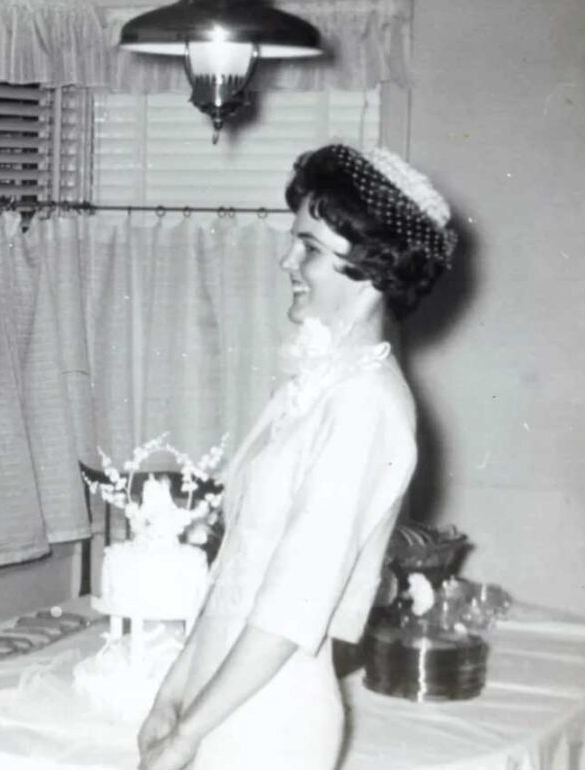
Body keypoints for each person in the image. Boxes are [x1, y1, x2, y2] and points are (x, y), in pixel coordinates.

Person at [136, 143, 459, 770]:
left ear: (371, 266)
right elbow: (237, 571)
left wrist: (187, 735)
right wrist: (172, 694)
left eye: (308, 247)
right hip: (219, 698)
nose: (287, 259)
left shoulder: (368, 403)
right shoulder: (312, 386)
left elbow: (292, 606)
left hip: (269, 720)